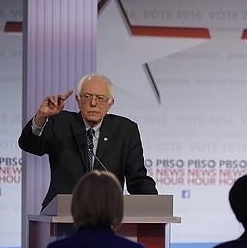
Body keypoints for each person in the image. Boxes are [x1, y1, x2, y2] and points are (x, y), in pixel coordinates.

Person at [18, 73, 157, 210]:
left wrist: (156, 206)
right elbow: (30, 145)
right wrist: (40, 117)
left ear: (111, 103)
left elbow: (137, 179)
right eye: (87, 97)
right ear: (78, 100)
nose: (93, 103)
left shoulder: (125, 130)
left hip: (106, 216)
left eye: (100, 98)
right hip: (62, 214)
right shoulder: (61, 123)